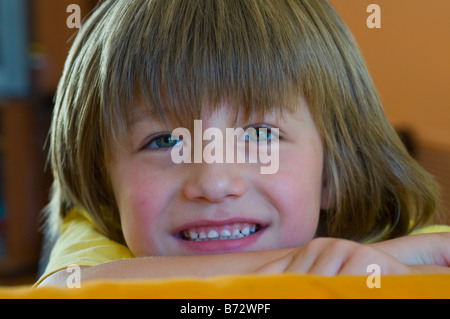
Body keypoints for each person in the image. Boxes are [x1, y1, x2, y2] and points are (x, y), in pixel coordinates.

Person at [37, 0, 450, 286]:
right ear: (104, 186)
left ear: (333, 175)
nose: (215, 183)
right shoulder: (98, 229)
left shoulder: (418, 245)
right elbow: (64, 289)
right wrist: (301, 268)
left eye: (259, 135)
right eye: (165, 140)